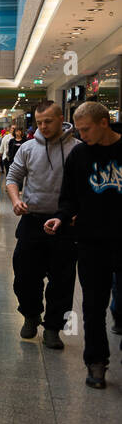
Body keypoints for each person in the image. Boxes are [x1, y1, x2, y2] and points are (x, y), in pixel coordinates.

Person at [45, 101, 122, 388]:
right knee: (92, 306)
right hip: (91, 241)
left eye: (86, 129)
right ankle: (96, 363)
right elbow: (69, 197)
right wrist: (61, 218)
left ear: (105, 122)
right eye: (78, 130)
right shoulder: (79, 154)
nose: (82, 134)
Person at [6, 101, 79, 350]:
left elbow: (85, 187)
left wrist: (78, 212)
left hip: (64, 224)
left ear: (61, 118)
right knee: (24, 276)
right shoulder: (27, 148)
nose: (43, 126)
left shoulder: (76, 149)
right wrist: (16, 200)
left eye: (48, 121)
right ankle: (30, 314)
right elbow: (13, 177)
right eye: (39, 122)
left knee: (62, 280)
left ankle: (52, 328)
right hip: (32, 222)